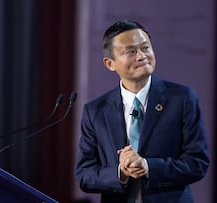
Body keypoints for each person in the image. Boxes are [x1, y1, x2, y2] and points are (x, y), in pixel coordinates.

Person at [74, 19, 210, 203]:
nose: (141, 56)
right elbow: (85, 175)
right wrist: (120, 172)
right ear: (110, 63)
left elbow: (197, 163)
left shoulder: (182, 98)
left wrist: (148, 166)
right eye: (131, 51)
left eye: (145, 48)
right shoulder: (95, 111)